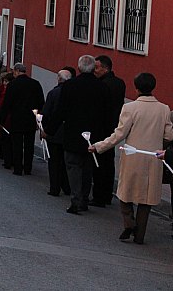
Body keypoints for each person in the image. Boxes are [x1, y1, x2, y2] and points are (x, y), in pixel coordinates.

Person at [90, 73, 173, 243]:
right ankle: (140, 235)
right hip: (154, 157)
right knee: (147, 197)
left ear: (136, 88)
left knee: (125, 192)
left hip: (132, 155)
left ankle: (129, 223)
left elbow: (119, 134)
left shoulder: (130, 108)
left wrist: (98, 146)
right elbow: (169, 135)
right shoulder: (164, 109)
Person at [45, 55, 109, 215]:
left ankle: (76, 199)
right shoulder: (102, 87)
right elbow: (105, 113)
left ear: (79, 68)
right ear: (94, 68)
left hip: (73, 133)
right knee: (87, 167)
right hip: (93, 135)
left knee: (73, 167)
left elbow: (61, 111)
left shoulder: (70, 86)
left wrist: (49, 129)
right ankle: (85, 199)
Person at [91, 55, 126, 207]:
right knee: (109, 162)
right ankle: (107, 194)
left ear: (105, 68)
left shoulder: (101, 85)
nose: (94, 71)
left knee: (99, 162)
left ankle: (99, 196)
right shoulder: (119, 83)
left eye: (97, 68)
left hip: (101, 127)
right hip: (113, 126)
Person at [0, 63, 45, 176]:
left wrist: (2, 120)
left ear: (16, 71)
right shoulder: (35, 84)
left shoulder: (13, 84)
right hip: (31, 119)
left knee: (17, 144)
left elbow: (7, 104)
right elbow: (41, 103)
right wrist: (39, 119)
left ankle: (18, 168)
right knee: (29, 144)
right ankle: (28, 168)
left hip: (17, 118)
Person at [41, 69, 72, 197]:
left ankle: (55, 187)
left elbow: (47, 113)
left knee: (54, 161)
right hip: (68, 132)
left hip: (54, 132)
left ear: (59, 79)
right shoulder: (73, 93)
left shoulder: (53, 93)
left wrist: (45, 129)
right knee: (65, 162)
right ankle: (67, 187)